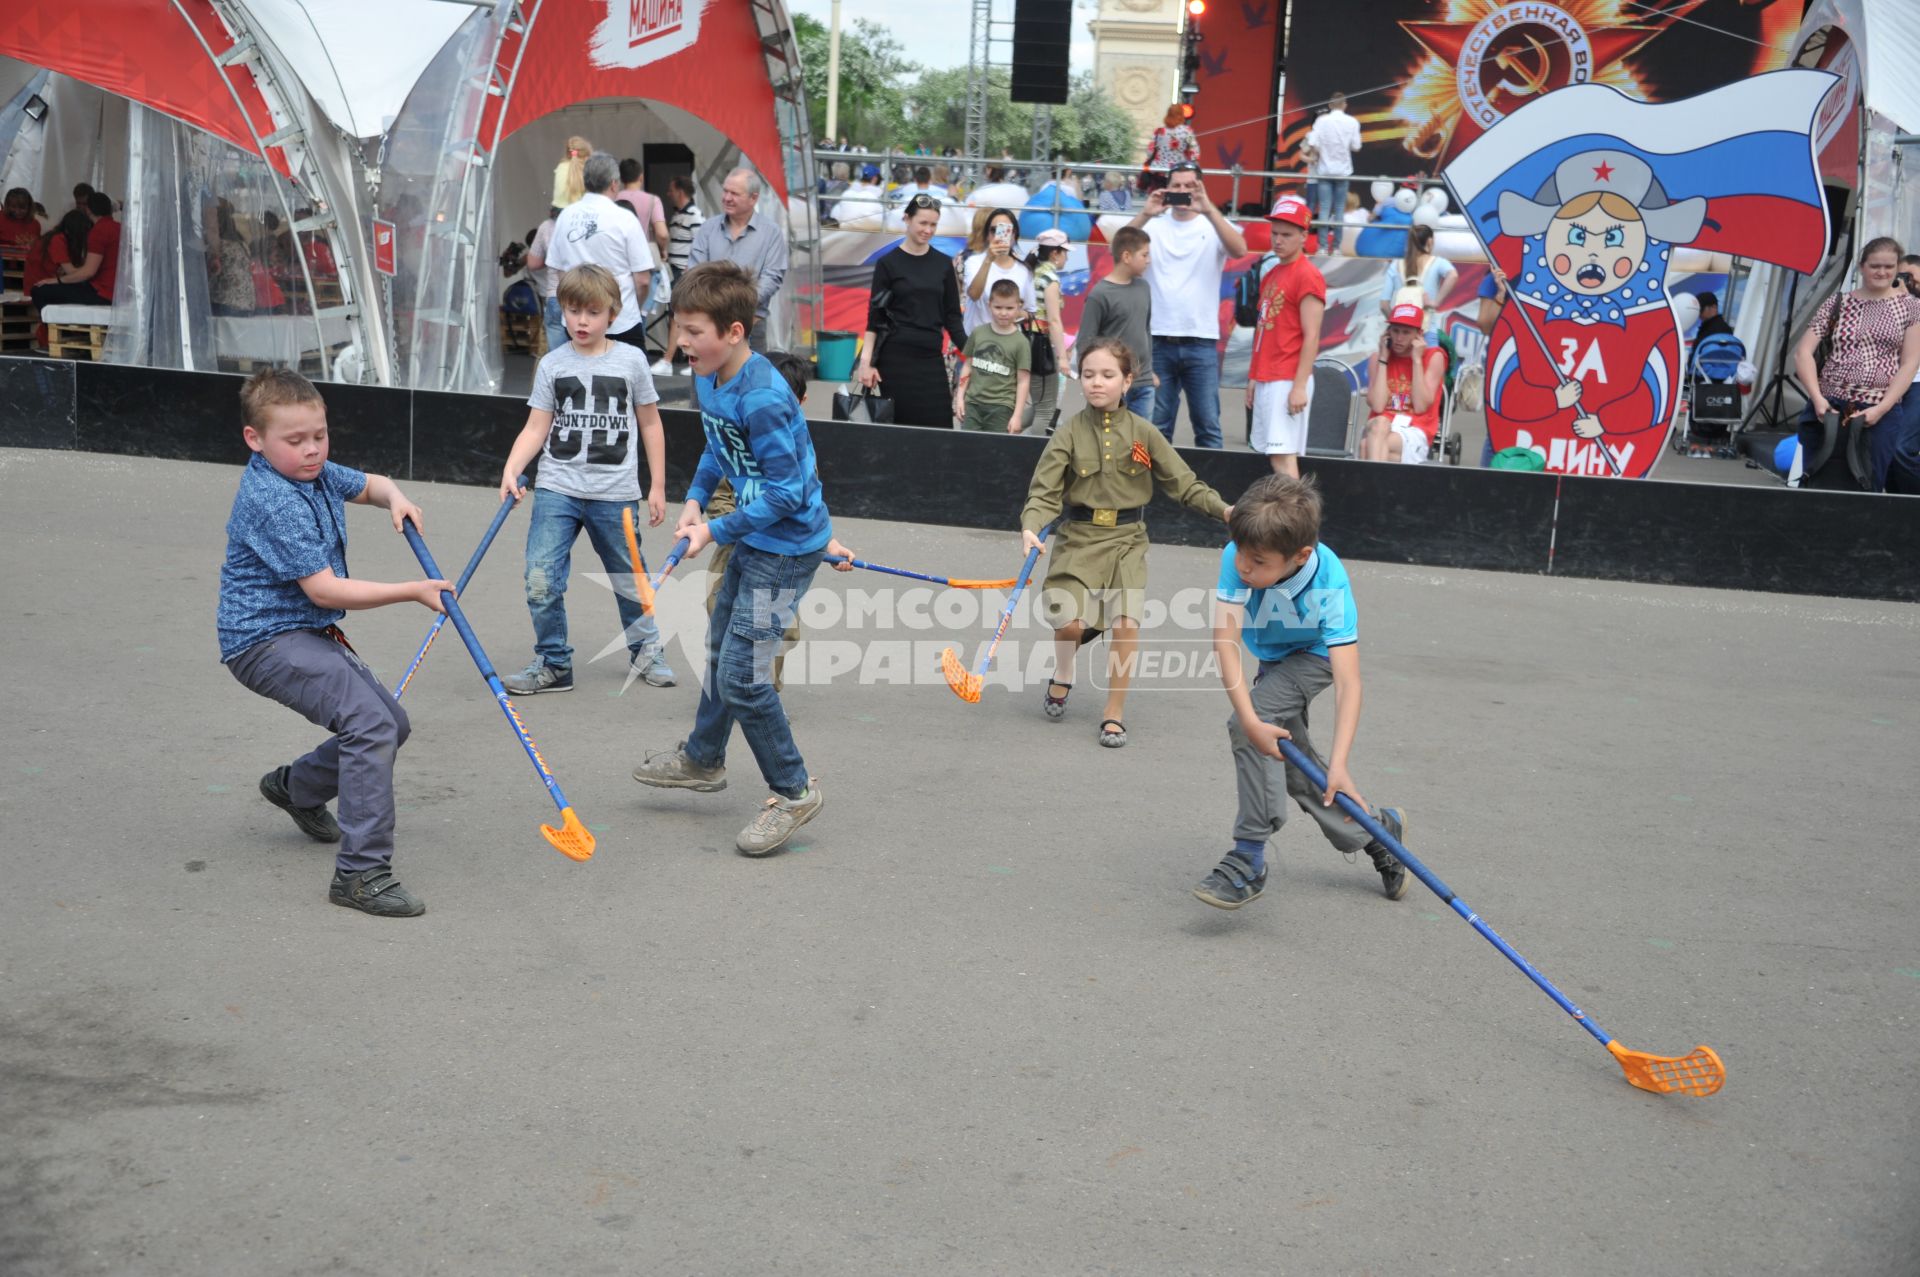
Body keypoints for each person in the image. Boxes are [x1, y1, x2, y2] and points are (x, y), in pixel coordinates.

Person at [217, 368, 449, 917]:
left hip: (303, 630)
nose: (312, 450)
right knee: (369, 725)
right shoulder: (274, 498)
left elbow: (369, 484)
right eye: (295, 441)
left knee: (391, 724)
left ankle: (294, 788)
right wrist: (413, 590)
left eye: (319, 435)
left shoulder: (313, 472)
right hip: (264, 640)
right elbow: (323, 590)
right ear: (256, 439)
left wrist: (395, 498)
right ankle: (362, 873)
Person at [631, 262, 833, 858]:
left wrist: (713, 529)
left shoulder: (766, 396)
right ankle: (702, 759)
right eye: (680, 328)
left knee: (744, 678)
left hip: (788, 549)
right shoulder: (712, 376)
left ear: (736, 331)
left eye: (695, 331)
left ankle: (794, 792)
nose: (682, 342)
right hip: (755, 537)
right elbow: (720, 447)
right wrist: (695, 500)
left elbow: (788, 493)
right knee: (720, 652)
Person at [1192, 472, 1409, 910]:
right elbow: (1225, 641)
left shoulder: (1329, 583)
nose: (1243, 568)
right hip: (1273, 657)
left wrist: (1341, 764)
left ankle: (1249, 855)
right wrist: (1255, 723)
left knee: (1248, 724)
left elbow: (1349, 682)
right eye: (1241, 555)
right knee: (1288, 762)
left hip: (1314, 658)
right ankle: (1378, 830)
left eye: (1258, 561)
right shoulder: (1240, 551)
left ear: (1300, 555)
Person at [1020, 338, 1232, 749]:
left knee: (1125, 624)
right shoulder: (1067, 434)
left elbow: (1184, 485)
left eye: (1107, 375)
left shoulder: (1143, 434)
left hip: (1127, 541)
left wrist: (1225, 511)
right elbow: (1042, 494)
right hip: (1078, 540)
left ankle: (1113, 713)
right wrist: (1031, 526)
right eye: (1088, 375)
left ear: (1127, 380)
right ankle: (1064, 671)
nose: (1096, 383)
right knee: (1069, 624)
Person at [495, 264, 673, 693]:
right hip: (558, 489)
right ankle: (554, 662)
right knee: (540, 578)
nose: (581, 321)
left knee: (630, 577)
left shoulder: (632, 361)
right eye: (572, 311)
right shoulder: (552, 364)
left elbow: (650, 424)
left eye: (592, 312)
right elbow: (536, 427)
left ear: (612, 314)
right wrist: (511, 467)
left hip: (616, 494)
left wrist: (658, 486)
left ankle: (646, 649)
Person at [1127, 161, 1248, 449]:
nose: (1183, 192)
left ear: (1200, 187)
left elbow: (1240, 250)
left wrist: (1208, 209)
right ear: (1167, 188)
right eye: (1177, 186)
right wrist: (1145, 213)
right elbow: (1118, 249)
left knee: (1208, 427)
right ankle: (1150, 492)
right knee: (1155, 428)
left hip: (1201, 340)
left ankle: (1210, 493)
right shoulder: (1154, 225)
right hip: (1157, 338)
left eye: (1189, 186)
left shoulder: (1213, 222)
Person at [1791, 236, 1920, 492]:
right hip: (1830, 407)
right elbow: (1803, 353)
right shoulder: (1837, 303)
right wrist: (1817, 399)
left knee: (1867, 487)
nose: (1882, 272)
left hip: (1878, 410)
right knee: (1819, 482)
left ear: (1896, 269)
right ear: (1862, 266)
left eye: (1888, 266)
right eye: (1875, 266)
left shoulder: (1911, 308)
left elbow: (1910, 363)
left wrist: (1882, 408)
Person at [855, 194, 967, 427]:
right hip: (894, 360)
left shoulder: (943, 264)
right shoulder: (888, 263)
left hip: (930, 357)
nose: (928, 230)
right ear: (907, 219)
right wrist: (867, 363)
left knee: (940, 425)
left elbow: (952, 317)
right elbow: (875, 318)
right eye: (923, 223)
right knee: (900, 429)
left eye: (933, 224)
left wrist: (973, 350)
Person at [1244, 195, 1325, 476]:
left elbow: (1312, 335)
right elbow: (1263, 332)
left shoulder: (1308, 275)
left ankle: (1298, 519)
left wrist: (1299, 385)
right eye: (1275, 233)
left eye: (1287, 234)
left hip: (1287, 377)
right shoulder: (1273, 273)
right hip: (1270, 375)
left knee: (1282, 457)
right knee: (1275, 455)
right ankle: (1292, 516)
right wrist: (1254, 377)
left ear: (1304, 236)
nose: (1278, 240)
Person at [545, 151, 656, 352]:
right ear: (614, 184)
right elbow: (643, 280)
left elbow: (560, 271)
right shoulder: (625, 218)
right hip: (621, 321)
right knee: (627, 381)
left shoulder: (566, 216)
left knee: (577, 380)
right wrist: (631, 307)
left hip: (576, 322)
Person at [686, 167, 787, 352]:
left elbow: (772, 278)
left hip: (750, 325)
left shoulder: (770, 233)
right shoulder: (708, 229)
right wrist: (715, 305)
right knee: (707, 381)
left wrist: (737, 306)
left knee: (750, 380)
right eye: (725, 191)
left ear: (753, 198)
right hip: (709, 325)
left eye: (734, 193)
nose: (727, 198)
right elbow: (694, 273)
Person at [1078, 225, 1156, 417]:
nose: (1149, 261)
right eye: (1144, 255)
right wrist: (1094, 379)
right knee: (1110, 440)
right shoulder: (1100, 294)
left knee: (1140, 442)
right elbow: (1085, 342)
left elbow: (1145, 331)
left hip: (1143, 382)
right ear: (1127, 257)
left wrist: (1149, 371)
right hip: (1112, 385)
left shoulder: (1144, 288)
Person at [1361, 301, 1446, 463]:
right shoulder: (1377, 358)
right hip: (1379, 427)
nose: (1399, 338)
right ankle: (1377, 486)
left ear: (1418, 335)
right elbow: (1378, 406)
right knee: (1380, 423)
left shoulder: (1434, 357)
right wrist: (1383, 360)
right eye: (1395, 331)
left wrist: (1416, 360)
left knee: (1366, 446)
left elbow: (1420, 406)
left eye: (1406, 332)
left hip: (1414, 429)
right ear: (1387, 333)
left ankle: (1371, 484)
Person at [955, 279, 1032, 432]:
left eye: (1009, 308)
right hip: (972, 405)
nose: (1003, 313)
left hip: (1002, 407)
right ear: (989, 305)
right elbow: (968, 365)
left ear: (1019, 306)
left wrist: (1017, 416)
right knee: (967, 449)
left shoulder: (1021, 342)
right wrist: (959, 398)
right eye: (998, 307)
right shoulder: (978, 333)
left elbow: (1023, 380)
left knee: (995, 451)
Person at [31, 191, 119, 308]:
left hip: (102, 292)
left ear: (88, 210)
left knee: (39, 290)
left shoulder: (99, 231)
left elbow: (88, 272)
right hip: (117, 291)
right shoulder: (119, 227)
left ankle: (54, 325)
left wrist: (59, 280)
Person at [1022, 228, 1071, 433]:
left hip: (1027, 339)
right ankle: (1032, 454)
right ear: (1055, 253)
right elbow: (1053, 320)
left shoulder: (1031, 272)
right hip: (1040, 343)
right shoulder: (1050, 278)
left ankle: (1004, 434)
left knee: (1040, 404)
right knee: (1045, 408)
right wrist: (1062, 357)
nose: (1066, 257)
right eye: (1065, 252)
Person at [960, 208, 1036, 335]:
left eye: (1006, 230)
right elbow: (973, 294)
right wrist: (989, 259)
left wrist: (1011, 312)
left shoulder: (1023, 270)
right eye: (993, 230)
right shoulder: (974, 262)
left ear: (1014, 234)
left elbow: (1031, 311)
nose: (998, 235)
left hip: (1008, 345)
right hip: (976, 343)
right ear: (987, 235)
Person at [1379, 222, 1454, 341]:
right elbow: (1453, 275)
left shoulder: (1395, 265)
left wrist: (1397, 326)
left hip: (1400, 338)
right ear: (1430, 241)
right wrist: (1436, 302)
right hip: (1426, 331)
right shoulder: (1438, 262)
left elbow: (1384, 304)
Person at [1305, 92, 1363, 246]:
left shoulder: (1321, 121)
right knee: (1339, 210)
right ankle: (1336, 247)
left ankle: (1322, 247)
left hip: (1324, 170)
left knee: (1324, 208)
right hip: (1343, 171)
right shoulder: (1352, 122)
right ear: (1345, 105)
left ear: (1330, 105)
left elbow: (1311, 142)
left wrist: (1320, 151)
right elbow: (1356, 147)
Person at [523, 207, 565, 355]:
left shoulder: (546, 227)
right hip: (584, 293)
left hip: (554, 293)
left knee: (556, 353)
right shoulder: (586, 224)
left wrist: (549, 261)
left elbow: (532, 263)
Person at [614, 158, 671, 265]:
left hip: (619, 258)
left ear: (621, 178)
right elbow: (662, 234)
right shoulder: (653, 200)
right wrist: (663, 249)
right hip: (643, 260)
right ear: (641, 177)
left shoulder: (612, 199)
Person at [204, 202, 257, 316]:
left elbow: (211, 271)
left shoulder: (219, 246)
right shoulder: (242, 244)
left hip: (226, 300)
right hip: (247, 301)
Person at [1143, 105, 1199, 190]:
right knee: (1178, 198)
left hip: (1159, 171)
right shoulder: (1187, 131)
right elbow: (1195, 152)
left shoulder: (1159, 131)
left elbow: (1150, 152)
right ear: (1181, 115)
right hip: (1180, 171)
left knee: (1159, 197)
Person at [666, 176, 705, 274]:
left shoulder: (695, 215)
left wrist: (692, 269)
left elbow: (702, 245)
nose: (668, 194)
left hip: (684, 272)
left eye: (671, 191)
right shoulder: (677, 214)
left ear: (680, 192)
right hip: (673, 270)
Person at [552, 136, 591, 210]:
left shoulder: (561, 166)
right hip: (578, 211)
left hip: (557, 211)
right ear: (586, 157)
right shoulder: (586, 169)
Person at [1, 187, 39, 252]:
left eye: (22, 208)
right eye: (13, 207)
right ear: (8, 206)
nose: (17, 211)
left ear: (29, 207)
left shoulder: (35, 225)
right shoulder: (1, 218)